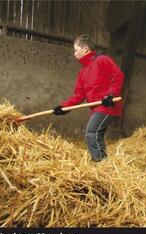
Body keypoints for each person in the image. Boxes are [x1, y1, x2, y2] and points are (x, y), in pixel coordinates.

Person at [53, 34, 125, 162]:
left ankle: (101, 164)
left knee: (91, 133)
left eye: (76, 50)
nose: (74, 54)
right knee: (96, 134)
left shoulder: (102, 60)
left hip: (108, 105)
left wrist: (110, 94)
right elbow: (79, 95)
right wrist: (64, 107)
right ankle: (102, 162)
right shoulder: (83, 72)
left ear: (85, 48)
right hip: (97, 109)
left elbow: (118, 76)